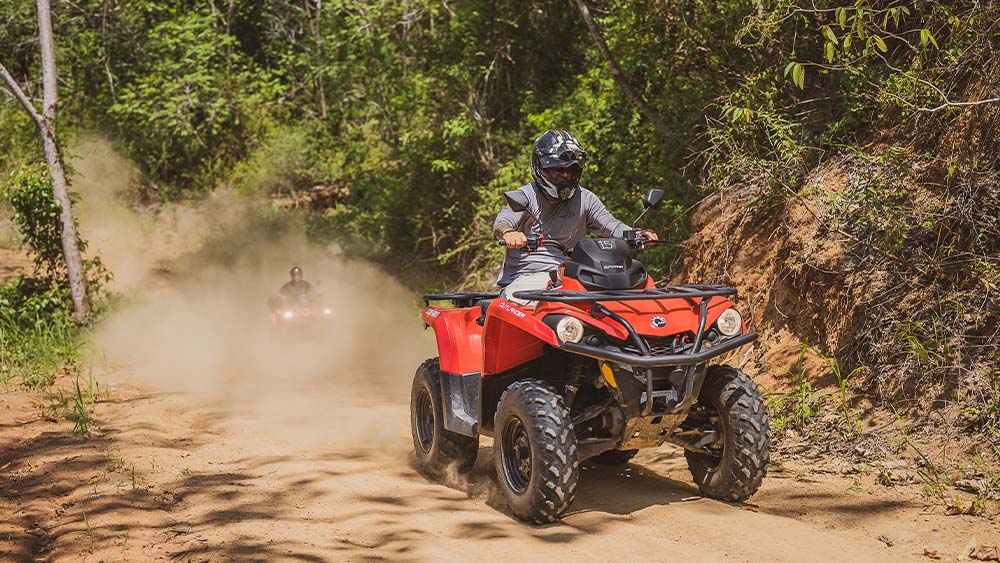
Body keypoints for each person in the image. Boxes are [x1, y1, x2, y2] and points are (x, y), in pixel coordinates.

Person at [493, 130, 658, 305]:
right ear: (539, 168)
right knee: (517, 301)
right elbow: (502, 223)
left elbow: (611, 225)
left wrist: (635, 233)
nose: (565, 176)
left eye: (571, 170)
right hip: (528, 278)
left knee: (622, 301)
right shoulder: (525, 196)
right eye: (557, 171)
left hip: (573, 276)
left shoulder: (585, 198)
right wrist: (509, 233)